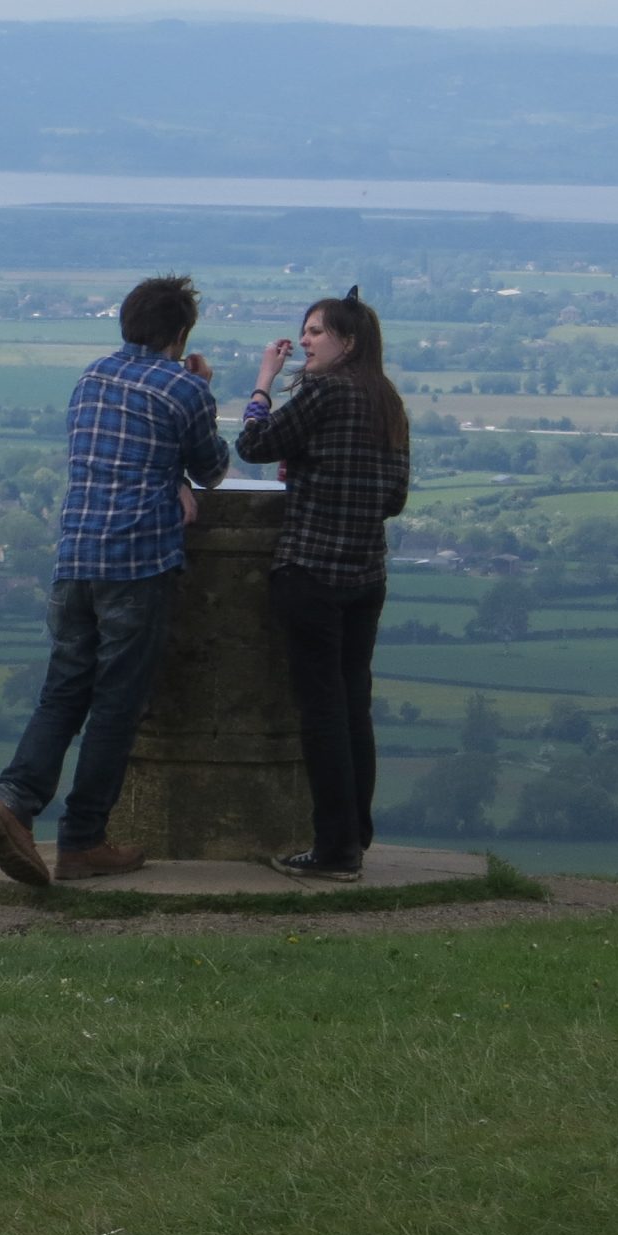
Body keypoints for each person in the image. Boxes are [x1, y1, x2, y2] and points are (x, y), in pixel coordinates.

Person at [0, 274, 229, 885]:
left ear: (127, 323)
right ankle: (83, 841)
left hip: (75, 559)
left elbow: (118, 459)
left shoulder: (90, 379)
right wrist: (200, 393)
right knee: (115, 706)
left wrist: (171, 476)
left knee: (62, 693)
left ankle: (10, 801)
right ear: (181, 332)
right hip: (136, 565)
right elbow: (214, 469)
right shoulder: (181, 388)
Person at [236, 288, 412, 882]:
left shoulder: (325, 391)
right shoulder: (387, 400)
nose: (304, 341)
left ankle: (335, 851)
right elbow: (393, 498)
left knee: (321, 714)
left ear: (349, 342)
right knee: (352, 708)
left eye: (315, 332)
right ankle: (355, 835)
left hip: (310, 570)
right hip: (366, 575)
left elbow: (254, 445)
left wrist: (263, 381)